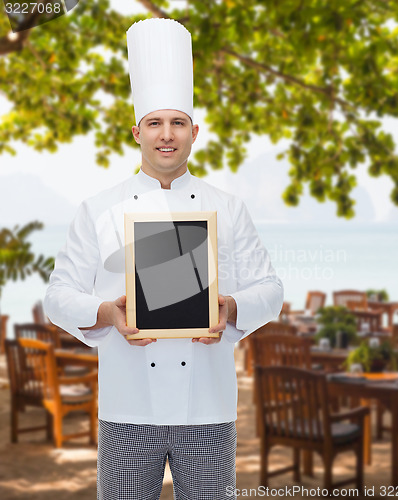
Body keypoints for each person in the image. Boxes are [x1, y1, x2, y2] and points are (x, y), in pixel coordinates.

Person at [44, 18, 283, 500]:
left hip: (209, 410)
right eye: (155, 123)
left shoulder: (228, 207)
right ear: (137, 131)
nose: (166, 135)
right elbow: (57, 296)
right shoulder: (98, 208)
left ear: (195, 131)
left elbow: (272, 290)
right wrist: (108, 313)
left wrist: (229, 307)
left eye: (178, 122)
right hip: (127, 409)